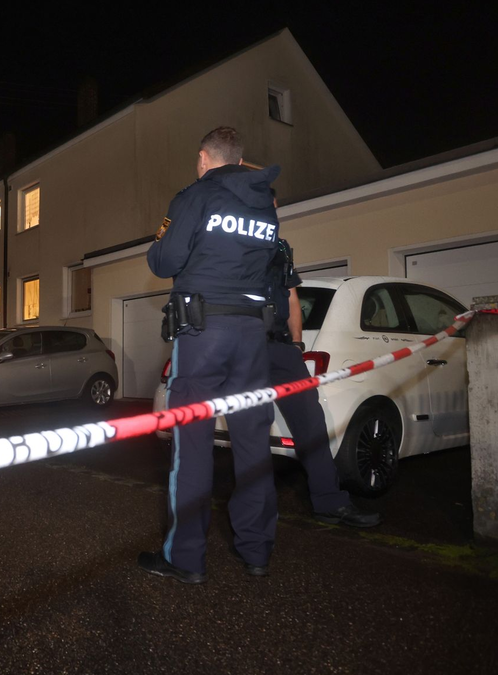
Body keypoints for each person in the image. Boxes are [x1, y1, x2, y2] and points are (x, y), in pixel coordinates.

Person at [140, 126, 279, 584]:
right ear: (240, 160)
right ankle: (256, 551)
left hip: (203, 332)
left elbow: (164, 262)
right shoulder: (265, 204)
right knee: (253, 443)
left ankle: (186, 558)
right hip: (252, 334)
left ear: (204, 158)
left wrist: (158, 241)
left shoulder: (195, 196)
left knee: (192, 442)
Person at [265, 234, 380, 528]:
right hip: (242, 347)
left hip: (282, 350)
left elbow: (291, 296)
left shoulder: (278, 245)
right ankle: (258, 516)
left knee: (310, 423)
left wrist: (297, 344)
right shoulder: (230, 234)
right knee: (251, 430)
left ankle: (330, 502)